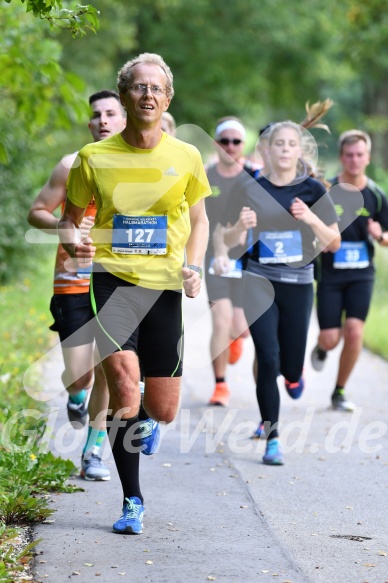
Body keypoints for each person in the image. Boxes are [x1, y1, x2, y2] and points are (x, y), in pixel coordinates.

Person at [58, 52, 211, 534]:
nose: (148, 94)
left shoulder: (185, 156)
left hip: (164, 287)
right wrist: (75, 241)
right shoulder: (93, 158)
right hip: (111, 282)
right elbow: (69, 219)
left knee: (161, 408)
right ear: (124, 96)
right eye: (139, 87)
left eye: (157, 88)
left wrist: (193, 266)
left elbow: (201, 220)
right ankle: (132, 501)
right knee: (124, 383)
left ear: (168, 98)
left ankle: (142, 423)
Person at [224, 120, 340, 465]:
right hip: (258, 281)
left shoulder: (314, 190)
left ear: (300, 151)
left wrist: (310, 218)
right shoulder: (248, 188)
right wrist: (238, 228)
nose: (286, 149)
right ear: (267, 150)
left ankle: (294, 374)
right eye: (279, 144)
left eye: (292, 144)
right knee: (267, 358)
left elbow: (333, 242)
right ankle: (272, 437)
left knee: (289, 366)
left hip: (299, 284)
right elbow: (227, 241)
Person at [27, 90, 126, 481]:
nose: (102, 120)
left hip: (116, 281)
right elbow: (37, 212)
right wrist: (65, 226)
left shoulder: (139, 170)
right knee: (80, 374)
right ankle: (75, 395)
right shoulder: (71, 165)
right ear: (90, 124)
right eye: (96, 115)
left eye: (110, 113)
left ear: (124, 120)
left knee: (106, 370)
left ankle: (92, 451)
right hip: (71, 281)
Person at [311, 129, 388, 411]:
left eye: (360, 155)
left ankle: (339, 391)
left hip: (362, 274)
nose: (355, 160)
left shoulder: (377, 196)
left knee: (355, 331)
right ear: (342, 157)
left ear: (367, 158)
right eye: (349, 155)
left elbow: (387, 237)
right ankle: (321, 347)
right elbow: (311, 228)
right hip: (331, 274)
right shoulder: (327, 190)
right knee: (330, 339)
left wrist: (380, 236)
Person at [205, 117, 257, 406]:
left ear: (243, 145)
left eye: (236, 141)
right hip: (215, 257)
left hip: (246, 259)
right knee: (220, 321)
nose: (230, 146)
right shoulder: (205, 176)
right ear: (216, 143)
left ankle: (236, 338)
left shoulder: (254, 176)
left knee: (240, 327)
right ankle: (220, 385)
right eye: (224, 140)